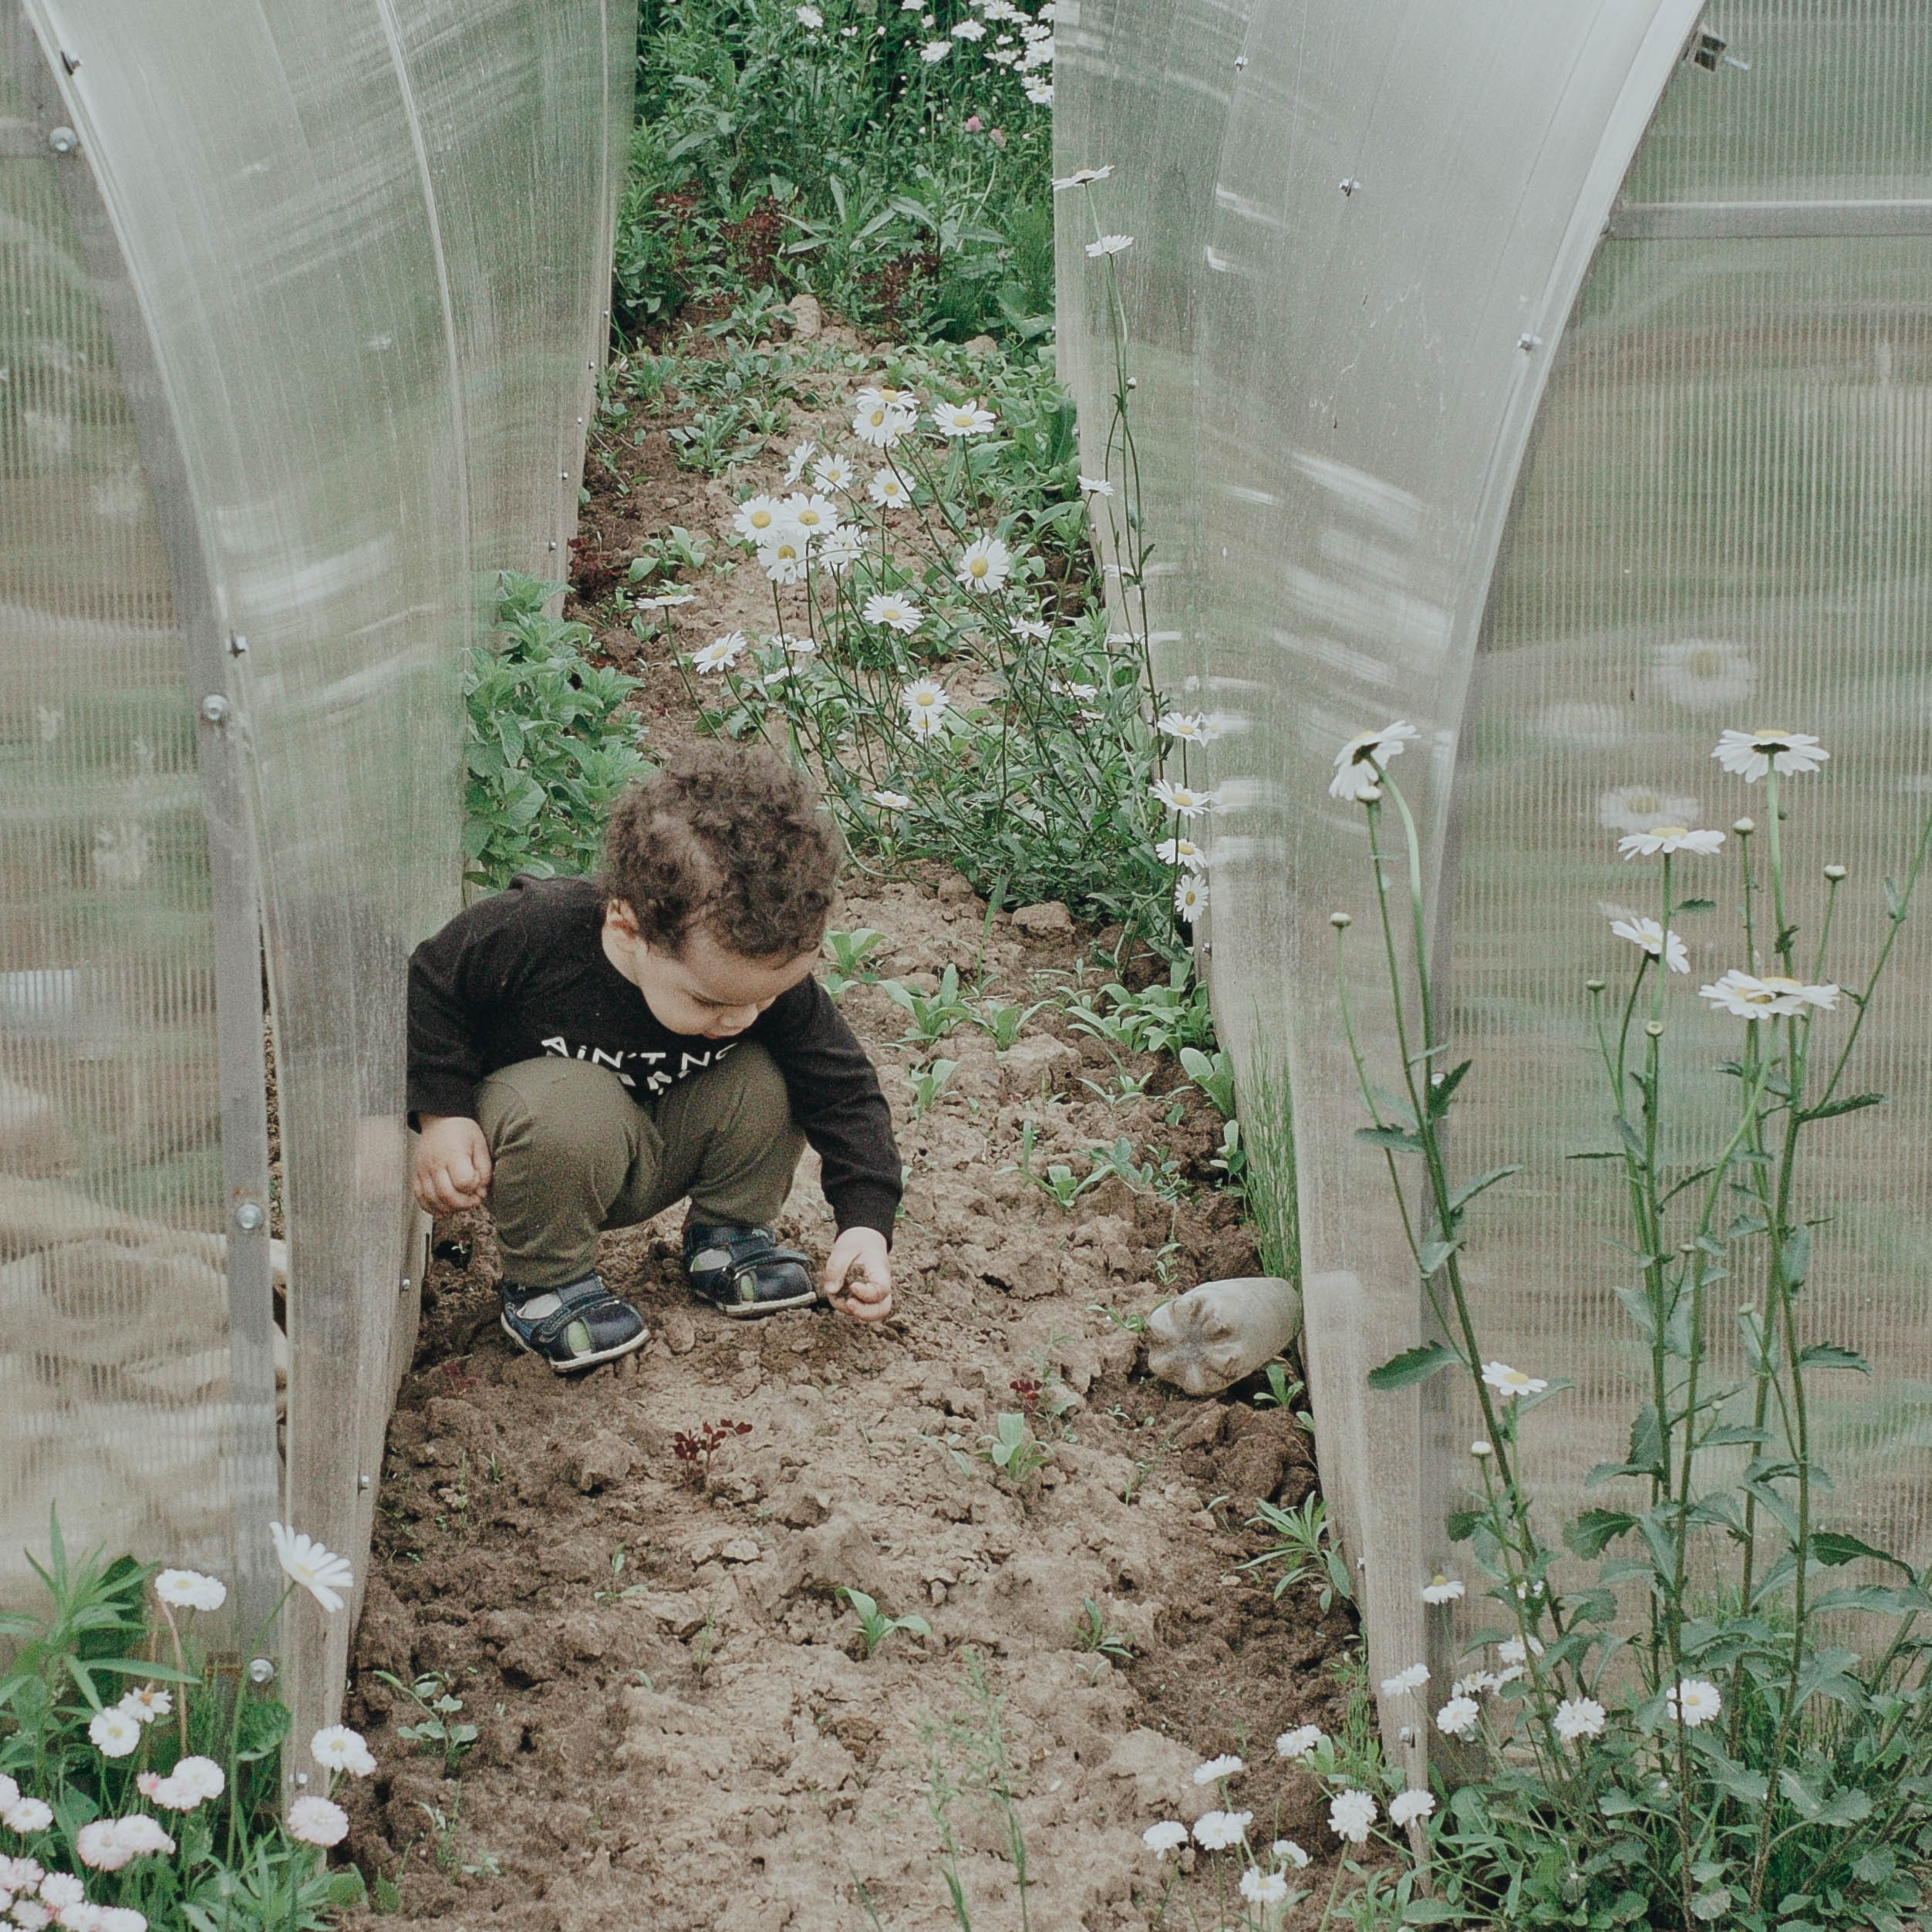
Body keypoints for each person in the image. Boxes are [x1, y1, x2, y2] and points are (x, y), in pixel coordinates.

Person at [406, 743, 899, 1372]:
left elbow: (843, 1090)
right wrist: (441, 1117)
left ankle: (728, 1239)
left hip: (656, 1142)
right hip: (543, 1154)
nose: (742, 1017)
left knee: (776, 1075)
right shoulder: (533, 932)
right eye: (710, 999)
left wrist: (865, 1225)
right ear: (627, 928)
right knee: (571, 1105)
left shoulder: (749, 985)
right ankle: (544, 1285)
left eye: (765, 997)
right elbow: (430, 984)